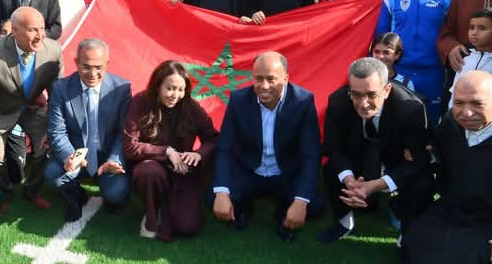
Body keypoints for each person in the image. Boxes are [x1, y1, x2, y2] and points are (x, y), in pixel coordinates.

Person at [405, 71, 492, 264]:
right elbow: (437, 148)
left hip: (487, 222)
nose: (466, 112)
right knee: (422, 236)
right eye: (459, 103)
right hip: (453, 211)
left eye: (477, 104)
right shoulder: (450, 124)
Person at [317, 57, 434, 242]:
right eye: (356, 94)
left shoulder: (411, 109)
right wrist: (350, 181)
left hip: (396, 156)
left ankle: (407, 234)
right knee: (333, 169)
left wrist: (376, 185)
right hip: (359, 152)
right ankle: (344, 222)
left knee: (422, 182)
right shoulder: (338, 102)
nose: (363, 103)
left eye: (371, 94)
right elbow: (334, 147)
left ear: (387, 90)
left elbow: (420, 160)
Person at [212, 52, 324, 241]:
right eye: (258, 79)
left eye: (271, 79)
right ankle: (244, 209)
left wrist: (300, 201)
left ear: (286, 78)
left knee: (313, 206)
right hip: (249, 171)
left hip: (286, 173)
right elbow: (224, 148)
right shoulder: (238, 100)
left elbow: (310, 155)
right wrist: (222, 191)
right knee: (213, 198)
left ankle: (283, 213)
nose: (264, 86)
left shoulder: (303, 101)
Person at [0, 6, 63, 209]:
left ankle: (32, 191)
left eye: (42, 29)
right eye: (32, 30)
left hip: (34, 109)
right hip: (1, 111)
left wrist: (54, 128)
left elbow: (58, 95)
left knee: (51, 145)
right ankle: (4, 193)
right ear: (15, 31)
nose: (40, 36)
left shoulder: (53, 50)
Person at [124, 60, 218, 241]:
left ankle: (166, 208)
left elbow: (213, 137)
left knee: (187, 226)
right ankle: (151, 215)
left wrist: (198, 153)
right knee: (148, 171)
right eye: (170, 88)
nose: (176, 95)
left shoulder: (190, 106)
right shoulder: (140, 102)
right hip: (152, 168)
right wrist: (166, 151)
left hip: (182, 172)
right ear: (158, 85)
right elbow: (130, 145)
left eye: (181, 89)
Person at [46, 39, 131, 222]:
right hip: (78, 157)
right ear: (76, 62)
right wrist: (69, 156)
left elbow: (123, 133)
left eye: (99, 67)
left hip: (107, 158)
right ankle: (76, 196)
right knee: (52, 173)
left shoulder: (122, 89)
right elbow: (57, 131)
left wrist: (114, 160)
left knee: (117, 194)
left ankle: (112, 194)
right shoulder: (60, 88)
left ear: (107, 64)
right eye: (86, 67)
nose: (93, 73)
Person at [375, 0, 454, 123]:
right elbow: (382, 35)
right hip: (400, 71)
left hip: (434, 73)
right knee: (397, 121)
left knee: (431, 123)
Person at [447, 9, 492, 107]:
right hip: (458, 117)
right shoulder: (464, 55)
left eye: (482, 28)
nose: (474, 32)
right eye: (471, 28)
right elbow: (455, 90)